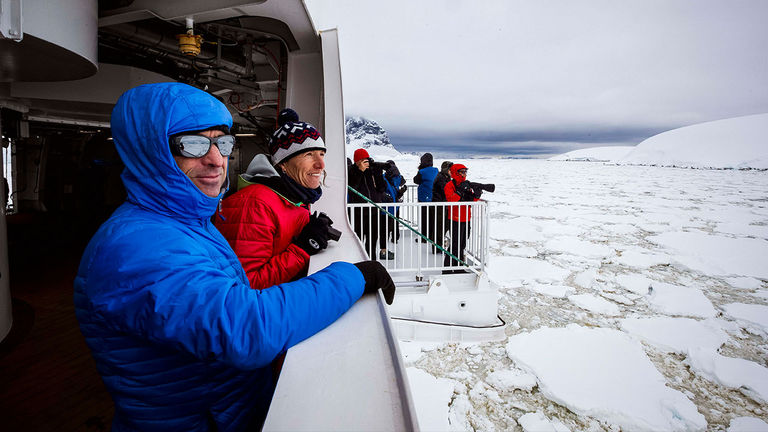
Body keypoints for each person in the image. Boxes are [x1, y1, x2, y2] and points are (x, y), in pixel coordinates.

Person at [73, 83, 395, 431]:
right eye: (192, 144)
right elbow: (247, 327)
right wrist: (352, 276)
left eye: (221, 142)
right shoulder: (135, 247)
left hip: (225, 408)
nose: (215, 159)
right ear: (151, 151)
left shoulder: (190, 221)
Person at [215, 108, 333, 289]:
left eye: (322, 154)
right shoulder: (254, 205)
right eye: (309, 154)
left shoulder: (294, 196)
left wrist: (308, 230)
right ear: (283, 163)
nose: (321, 164)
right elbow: (246, 286)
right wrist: (303, 248)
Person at [347, 148, 393, 260]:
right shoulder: (351, 171)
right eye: (363, 161)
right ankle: (358, 262)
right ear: (357, 161)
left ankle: (371, 262)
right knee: (358, 240)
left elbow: (382, 188)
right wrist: (360, 171)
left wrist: (378, 174)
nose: (366, 163)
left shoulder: (371, 171)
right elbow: (352, 189)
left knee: (372, 240)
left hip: (374, 211)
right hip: (358, 213)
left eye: (367, 160)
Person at [443, 163, 482, 272]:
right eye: (462, 171)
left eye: (465, 171)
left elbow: (470, 202)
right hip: (455, 219)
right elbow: (451, 201)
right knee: (456, 245)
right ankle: (448, 268)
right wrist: (460, 191)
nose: (464, 174)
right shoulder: (449, 185)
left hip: (466, 218)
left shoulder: (466, 185)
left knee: (462, 244)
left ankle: (457, 267)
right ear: (456, 172)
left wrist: (476, 196)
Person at [413, 152, 438, 243]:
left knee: (424, 218)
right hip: (434, 197)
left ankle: (424, 238)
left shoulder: (422, 171)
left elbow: (416, 180)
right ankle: (432, 237)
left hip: (424, 197)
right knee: (432, 218)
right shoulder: (436, 170)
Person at [431, 160, 453, 252]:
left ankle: (438, 246)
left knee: (444, 225)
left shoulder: (445, 177)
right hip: (439, 205)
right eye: (450, 169)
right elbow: (446, 190)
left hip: (442, 205)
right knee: (440, 226)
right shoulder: (441, 178)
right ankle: (436, 247)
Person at [382, 160, 406, 243]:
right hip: (394, 204)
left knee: (387, 225)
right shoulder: (396, 177)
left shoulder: (387, 177)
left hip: (391, 205)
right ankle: (395, 238)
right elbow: (402, 182)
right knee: (395, 221)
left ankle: (386, 242)